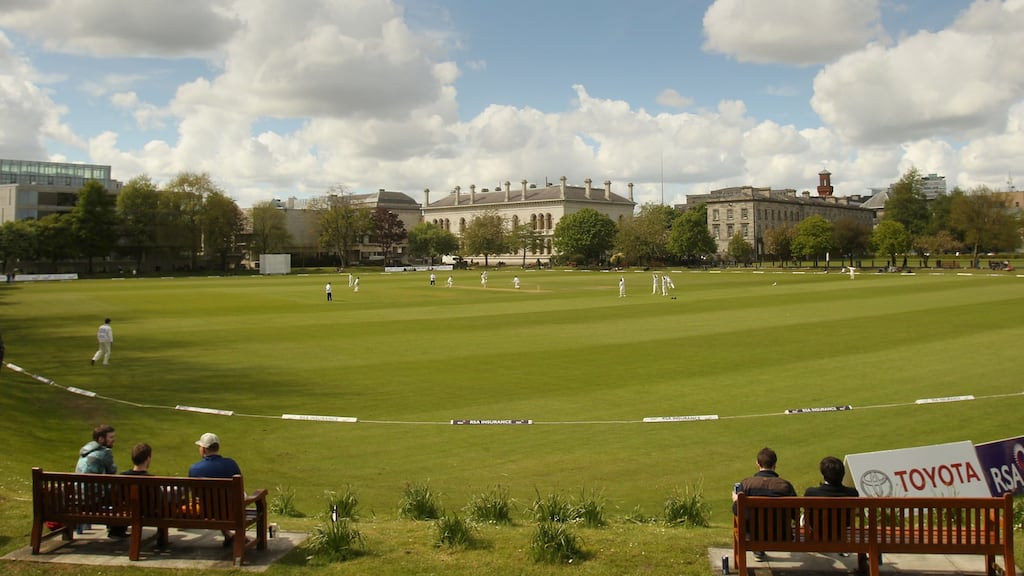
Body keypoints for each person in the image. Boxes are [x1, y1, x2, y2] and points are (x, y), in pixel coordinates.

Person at [732, 447, 797, 562]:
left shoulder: (746, 484)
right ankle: (759, 549)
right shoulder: (785, 486)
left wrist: (736, 501)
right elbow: (794, 514)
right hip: (781, 535)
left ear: (757, 464)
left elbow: (737, 511)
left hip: (753, 535)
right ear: (775, 464)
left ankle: (758, 549)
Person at [189, 433, 243, 546]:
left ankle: (228, 535)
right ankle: (230, 535)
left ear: (203, 450)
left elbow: (194, 494)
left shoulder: (194, 469)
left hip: (205, 512)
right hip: (230, 512)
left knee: (213, 502)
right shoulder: (231, 464)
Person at [76, 424, 126, 537]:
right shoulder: (104, 452)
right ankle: (116, 529)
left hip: (79, 496)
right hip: (94, 500)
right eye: (111, 437)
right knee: (122, 491)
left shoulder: (85, 451)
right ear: (101, 439)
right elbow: (112, 471)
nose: (114, 440)